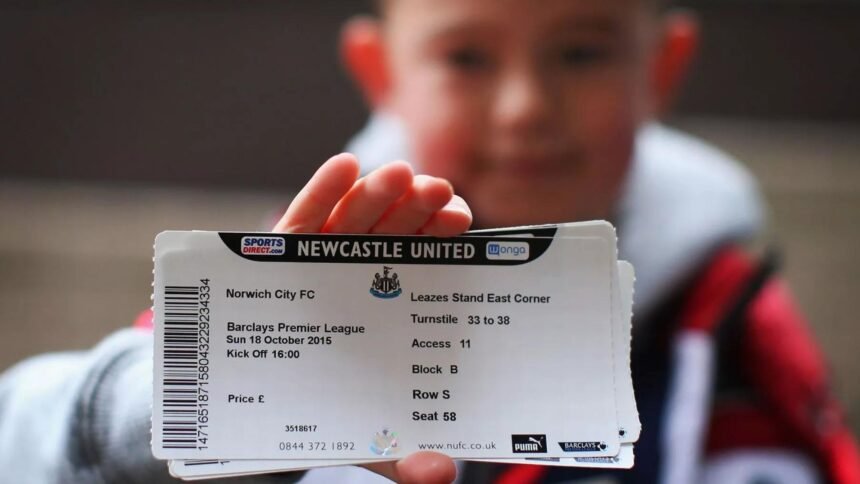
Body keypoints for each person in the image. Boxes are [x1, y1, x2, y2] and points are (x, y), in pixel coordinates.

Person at [1, 0, 857, 483]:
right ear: (383, 73)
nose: (526, 107)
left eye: (583, 52)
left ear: (661, 69)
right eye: (469, 60)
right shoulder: (292, 279)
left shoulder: (724, 307)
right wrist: (175, 416)